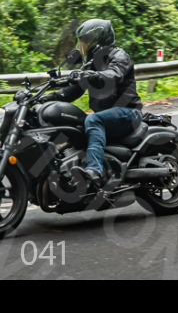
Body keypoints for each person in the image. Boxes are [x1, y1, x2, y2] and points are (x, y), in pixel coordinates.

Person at [40, 19, 143, 190]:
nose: (83, 46)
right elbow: (69, 93)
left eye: (86, 41)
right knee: (71, 124)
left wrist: (93, 75)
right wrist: (42, 99)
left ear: (99, 39)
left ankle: (94, 171)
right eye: (82, 42)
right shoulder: (90, 65)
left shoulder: (118, 56)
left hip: (127, 112)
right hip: (107, 116)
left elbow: (114, 74)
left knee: (93, 120)